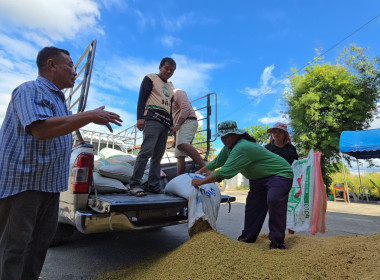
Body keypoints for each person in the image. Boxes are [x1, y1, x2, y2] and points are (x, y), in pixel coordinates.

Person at [0, 47, 122, 280]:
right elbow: (41, 129)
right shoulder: (30, 89)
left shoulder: (60, 102)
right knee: (13, 248)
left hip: (49, 187)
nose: (75, 72)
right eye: (70, 66)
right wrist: (88, 116)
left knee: (37, 248)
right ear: (51, 65)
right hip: (24, 185)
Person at [191, 121, 293, 249]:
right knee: (253, 207)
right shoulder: (229, 147)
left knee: (274, 200)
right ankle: (247, 238)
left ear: (236, 135)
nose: (223, 140)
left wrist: (200, 182)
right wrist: (199, 172)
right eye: (221, 137)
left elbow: (224, 172)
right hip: (257, 179)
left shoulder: (242, 147)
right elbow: (216, 162)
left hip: (279, 174)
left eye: (226, 136)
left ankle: (277, 244)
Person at [129, 57, 176, 196]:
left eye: (172, 70)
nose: (168, 72)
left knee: (158, 156)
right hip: (152, 119)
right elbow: (142, 98)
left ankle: (154, 186)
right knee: (146, 151)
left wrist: (172, 124)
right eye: (166, 68)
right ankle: (134, 184)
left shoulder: (170, 87)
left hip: (165, 123)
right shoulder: (150, 78)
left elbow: (170, 107)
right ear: (160, 67)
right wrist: (140, 118)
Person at [265, 122, 299, 234]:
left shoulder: (291, 149)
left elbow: (297, 165)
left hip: (289, 181)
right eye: (274, 132)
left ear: (285, 134)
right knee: (274, 206)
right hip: (272, 181)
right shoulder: (267, 148)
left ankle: (291, 233)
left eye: (279, 131)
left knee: (290, 207)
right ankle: (276, 233)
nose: (276, 134)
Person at [171, 88, 206, 175]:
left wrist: (178, 125)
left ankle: (205, 168)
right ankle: (180, 179)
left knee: (182, 143)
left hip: (188, 120)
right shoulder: (167, 102)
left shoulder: (178, 92)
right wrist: (175, 138)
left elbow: (185, 108)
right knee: (180, 155)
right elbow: (174, 120)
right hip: (179, 126)